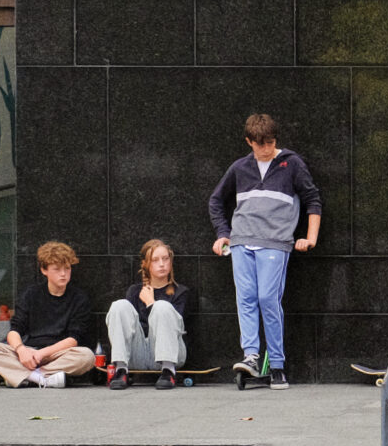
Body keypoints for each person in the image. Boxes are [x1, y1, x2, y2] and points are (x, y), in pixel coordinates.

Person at [207, 112, 322, 389]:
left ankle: (279, 365)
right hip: (241, 241)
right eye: (260, 145)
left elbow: (312, 200)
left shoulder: (291, 164)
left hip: (275, 242)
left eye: (270, 143)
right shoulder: (239, 168)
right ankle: (251, 356)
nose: (266, 149)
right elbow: (216, 201)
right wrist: (223, 234)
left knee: (267, 298)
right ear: (249, 142)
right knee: (245, 298)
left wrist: (310, 238)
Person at [0, 242, 95, 388]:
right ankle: (40, 378)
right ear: (44, 270)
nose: (63, 274)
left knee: (87, 356)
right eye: (57, 269)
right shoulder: (31, 294)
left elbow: (73, 339)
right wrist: (21, 350)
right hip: (28, 352)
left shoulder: (79, 298)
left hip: (57, 354)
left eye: (67, 269)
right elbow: (15, 330)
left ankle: (23, 376)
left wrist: (41, 354)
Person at [106, 239, 192, 388]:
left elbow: (176, 328)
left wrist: (151, 303)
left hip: (171, 353)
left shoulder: (181, 292)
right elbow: (129, 327)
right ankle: (121, 370)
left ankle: (168, 372)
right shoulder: (134, 291)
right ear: (146, 264)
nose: (162, 264)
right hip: (137, 355)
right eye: (155, 260)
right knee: (119, 306)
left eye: (165, 259)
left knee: (162, 307)